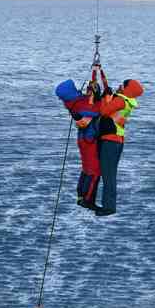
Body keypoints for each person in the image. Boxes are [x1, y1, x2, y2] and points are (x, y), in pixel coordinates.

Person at [96, 79, 144, 216]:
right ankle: (109, 205)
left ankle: (108, 207)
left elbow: (104, 111)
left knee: (108, 176)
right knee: (110, 175)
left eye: (123, 85)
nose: (119, 86)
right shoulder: (127, 102)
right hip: (117, 141)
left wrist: (105, 97)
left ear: (127, 89)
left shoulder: (120, 101)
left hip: (110, 141)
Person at [55, 79, 102, 210]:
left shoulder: (75, 103)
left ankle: (81, 196)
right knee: (95, 170)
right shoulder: (83, 106)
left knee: (87, 168)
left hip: (83, 139)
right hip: (89, 140)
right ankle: (88, 200)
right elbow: (95, 113)